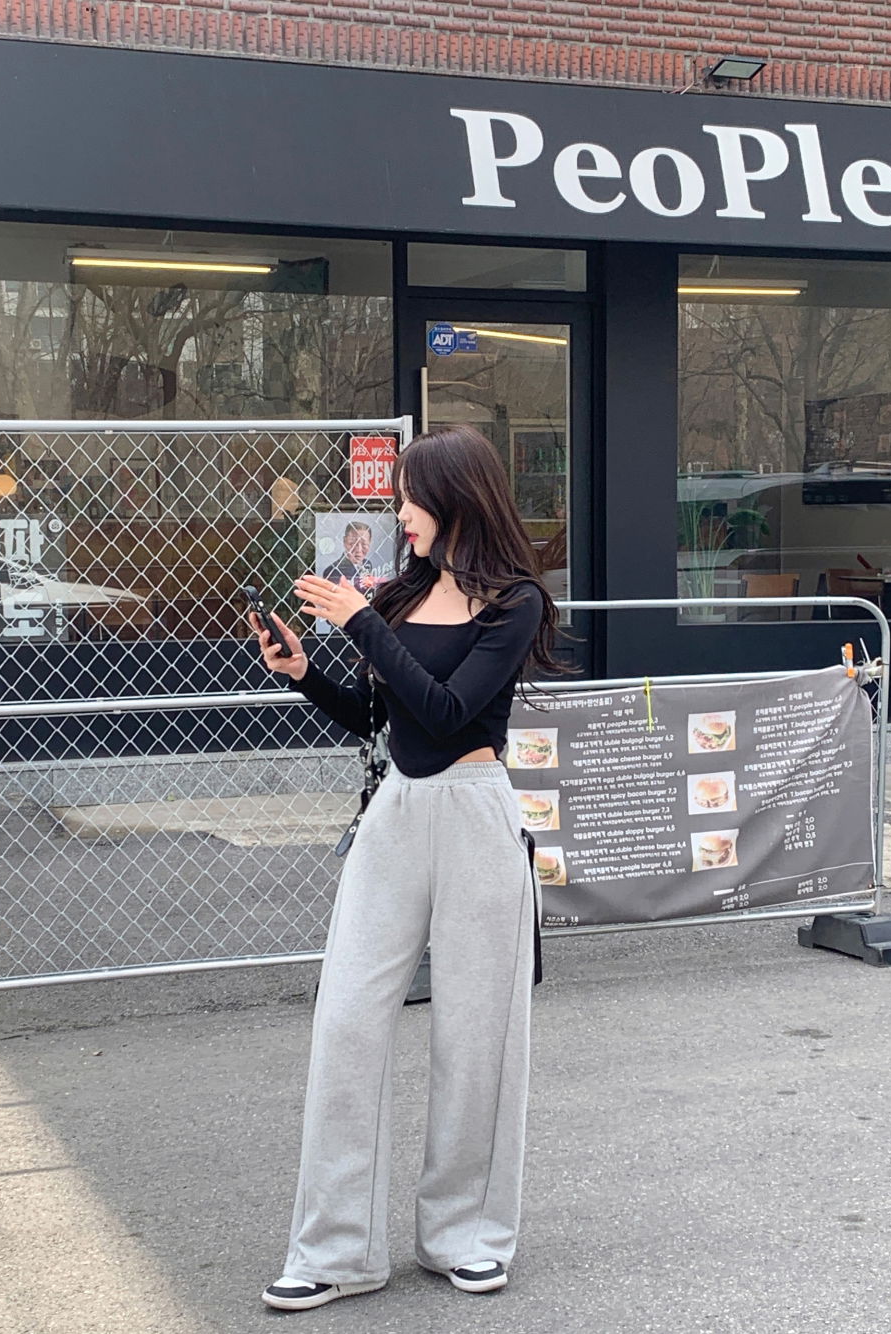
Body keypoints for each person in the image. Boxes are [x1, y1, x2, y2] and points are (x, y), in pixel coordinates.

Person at [250, 425, 562, 1312]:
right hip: (395, 814)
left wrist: (359, 622)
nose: (400, 514)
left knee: (478, 1033)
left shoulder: (515, 603)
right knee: (346, 1023)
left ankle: (467, 1234)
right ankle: (335, 1249)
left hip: (476, 814)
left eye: (411, 497)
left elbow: (452, 712)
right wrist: (305, 672)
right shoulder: (399, 594)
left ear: (456, 497)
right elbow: (378, 717)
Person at [322, 521, 375, 593]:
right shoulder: (332, 571)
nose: (358, 550)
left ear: (369, 542)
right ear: (345, 541)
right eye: (353, 543)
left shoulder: (367, 564)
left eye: (364, 544)